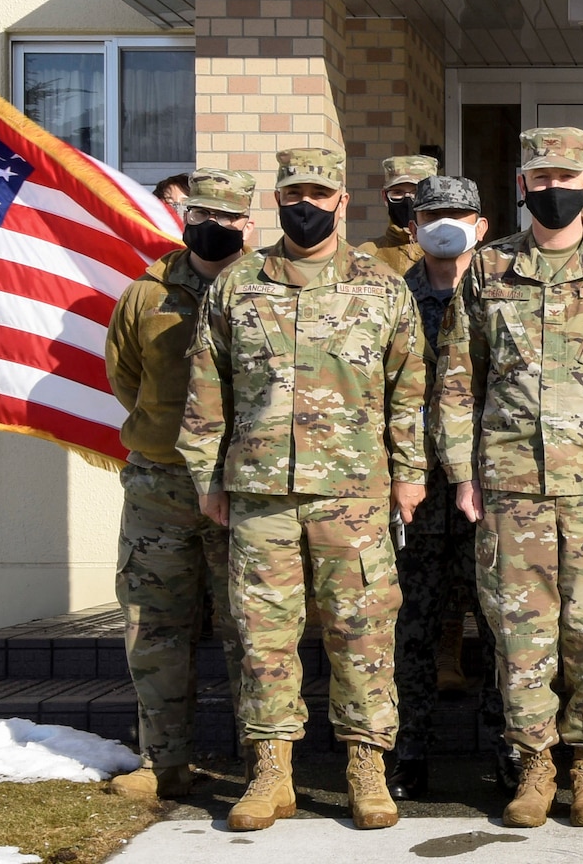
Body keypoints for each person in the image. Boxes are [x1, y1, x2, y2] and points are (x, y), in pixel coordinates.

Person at [179, 148, 429, 833]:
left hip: (354, 493)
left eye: (319, 194)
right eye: (294, 193)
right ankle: (270, 771)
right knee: (262, 637)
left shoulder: (381, 287)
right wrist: (207, 477)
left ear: (343, 202)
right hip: (260, 495)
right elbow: (207, 391)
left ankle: (366, 767)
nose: (306, 205)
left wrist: (410, 476)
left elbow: (410, 392)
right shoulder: (238, 286)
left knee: (363, 633)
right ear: (277, 200)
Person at [433, 127, 583, 829]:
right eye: (541, 179)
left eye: (567, 177)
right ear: (521, 186)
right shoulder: (488, 268)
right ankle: (535, 765)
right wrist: (461, 472)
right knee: (520, 637)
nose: (555, 189)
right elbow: (457, 379)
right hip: (511, 486)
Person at [105, 168, 255, 801]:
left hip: (248, 487)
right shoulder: (147, 292)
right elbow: (125, 375)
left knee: (253, 631)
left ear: (250, 223)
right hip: (161, 485)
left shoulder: (267, 288)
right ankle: (163, 762)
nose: (214, 228)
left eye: (228, 218)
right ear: (186, 218)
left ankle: (264, 766)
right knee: (153, 624)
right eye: (202, 216)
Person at [388, 175, 497, 801]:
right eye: (432, 215)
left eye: (459, 214)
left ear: (481, 226)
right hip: (418, 490)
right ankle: (409, 755)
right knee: (415, 626)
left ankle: (507, 756)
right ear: (413, 227)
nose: (445, 225)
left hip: (500, 487)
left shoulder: (506, 292)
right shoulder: (388, 298)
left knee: (507, 626)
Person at [360, 154, 441, 275]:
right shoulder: (366, 254)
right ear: (385, 197)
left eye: (417, 192)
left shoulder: (449, 251)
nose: (408, 199)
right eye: (397, 192)